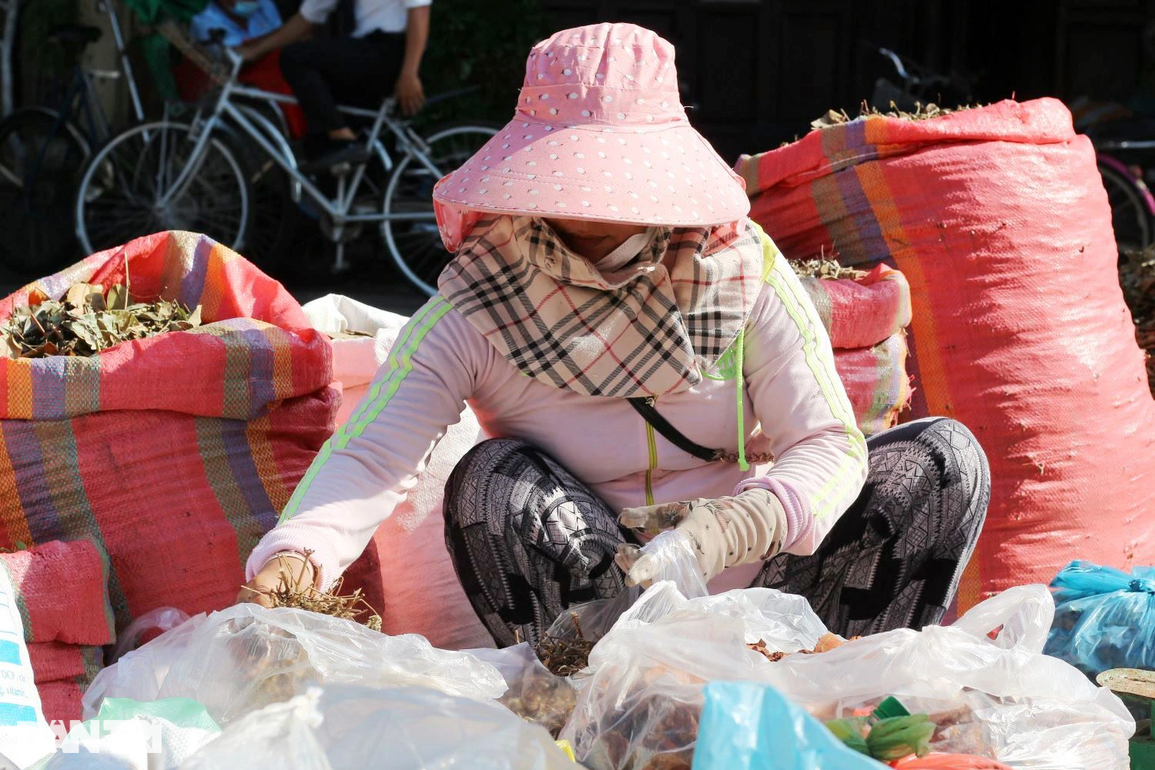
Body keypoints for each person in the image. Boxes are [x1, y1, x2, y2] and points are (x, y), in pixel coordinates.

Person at [238, 22, 991, 647]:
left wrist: (745, 521)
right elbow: (373, 451)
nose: (601, 209)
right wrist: (298, 556)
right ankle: (609, 718)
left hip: (773, 582)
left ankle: (834, 701)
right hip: (603, 601)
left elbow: (827, 441)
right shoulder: (482, 298)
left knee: (943, 458)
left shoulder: (740, 272)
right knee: (491, 477)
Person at [234, 0, 430, 165]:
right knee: (319, 145)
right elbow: (306, 19)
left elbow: (420, 11)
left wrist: (409, 74)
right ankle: (347, 164)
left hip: (392, 53)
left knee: (296, 57)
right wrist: (254, 52)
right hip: (362, 52)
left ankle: (342, 138)